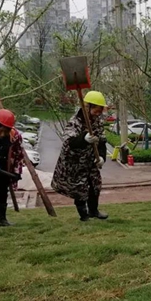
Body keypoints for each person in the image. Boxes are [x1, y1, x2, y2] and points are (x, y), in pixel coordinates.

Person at [52, 91, 108, 222]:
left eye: (100, 111)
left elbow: (102, 141)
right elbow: (69, 142)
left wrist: (101, 157)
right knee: (80, 188)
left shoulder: (98, 122)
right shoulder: (74, 122)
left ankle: (94, 211)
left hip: (90, 160)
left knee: (95, 184)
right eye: (96, 110)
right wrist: (84, 139)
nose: (98, 114)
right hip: (74, 162)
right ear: (87, 107)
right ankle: (84, 215)